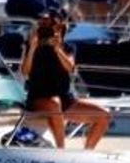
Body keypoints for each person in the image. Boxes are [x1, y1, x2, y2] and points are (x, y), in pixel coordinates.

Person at [19, 10, 109, 150]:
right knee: (55, 103)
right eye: (44, 25)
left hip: (65, 99)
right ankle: (61, 149)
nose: (48, 30)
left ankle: (88, 151)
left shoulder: (67, 47)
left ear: (60, 28)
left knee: (104, 115)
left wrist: (57, 49)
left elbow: (70, 68)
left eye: (52, 26)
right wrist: (32, 48)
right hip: (39, 98)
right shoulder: (31, 46)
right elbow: (25, 72)